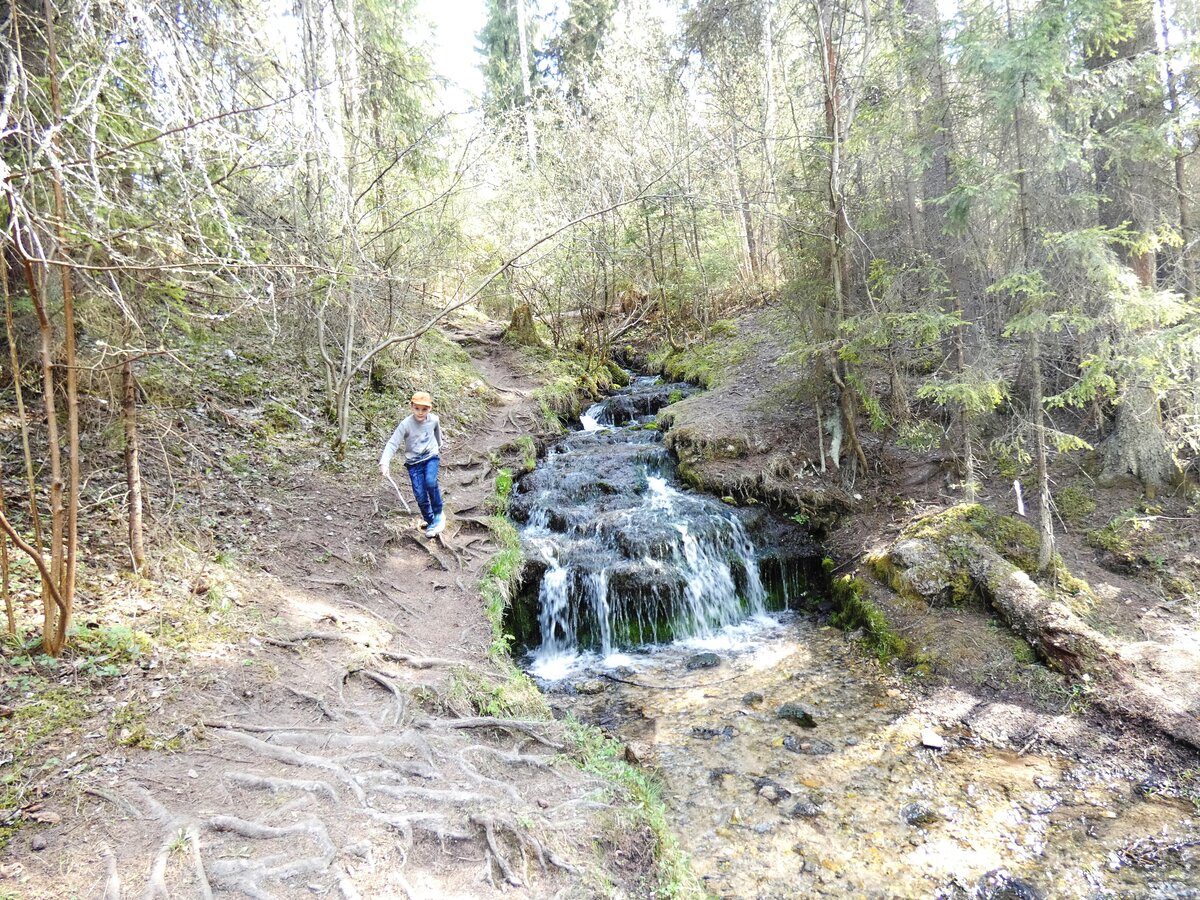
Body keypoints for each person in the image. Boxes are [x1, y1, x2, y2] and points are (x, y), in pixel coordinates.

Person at [381, 391, 445, 537]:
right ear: (412, 407)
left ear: (430, 408)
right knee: (420, 495)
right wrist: (385, 463)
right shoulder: (406, 424)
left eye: (424, 409)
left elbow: (437, 435)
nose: (420, 412)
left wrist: (438, 445)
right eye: (417, 408)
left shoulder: (434, 419)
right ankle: (431, 522)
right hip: (413, 463)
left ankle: (439, 513)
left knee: (430, 482)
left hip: (430, 457)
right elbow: (392, 443)